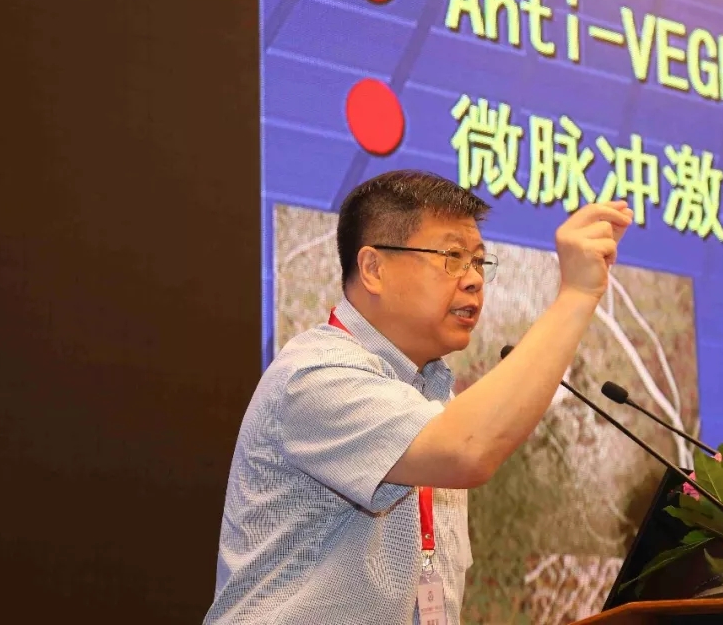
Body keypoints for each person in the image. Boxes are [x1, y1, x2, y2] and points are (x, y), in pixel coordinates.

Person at [204, 170, 634, 625]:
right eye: (452, 257)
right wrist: (577, 294)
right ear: (374, 269)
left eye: (478, 262)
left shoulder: (429, 395)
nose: (474, 280)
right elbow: (466, 450)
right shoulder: (315, 375)